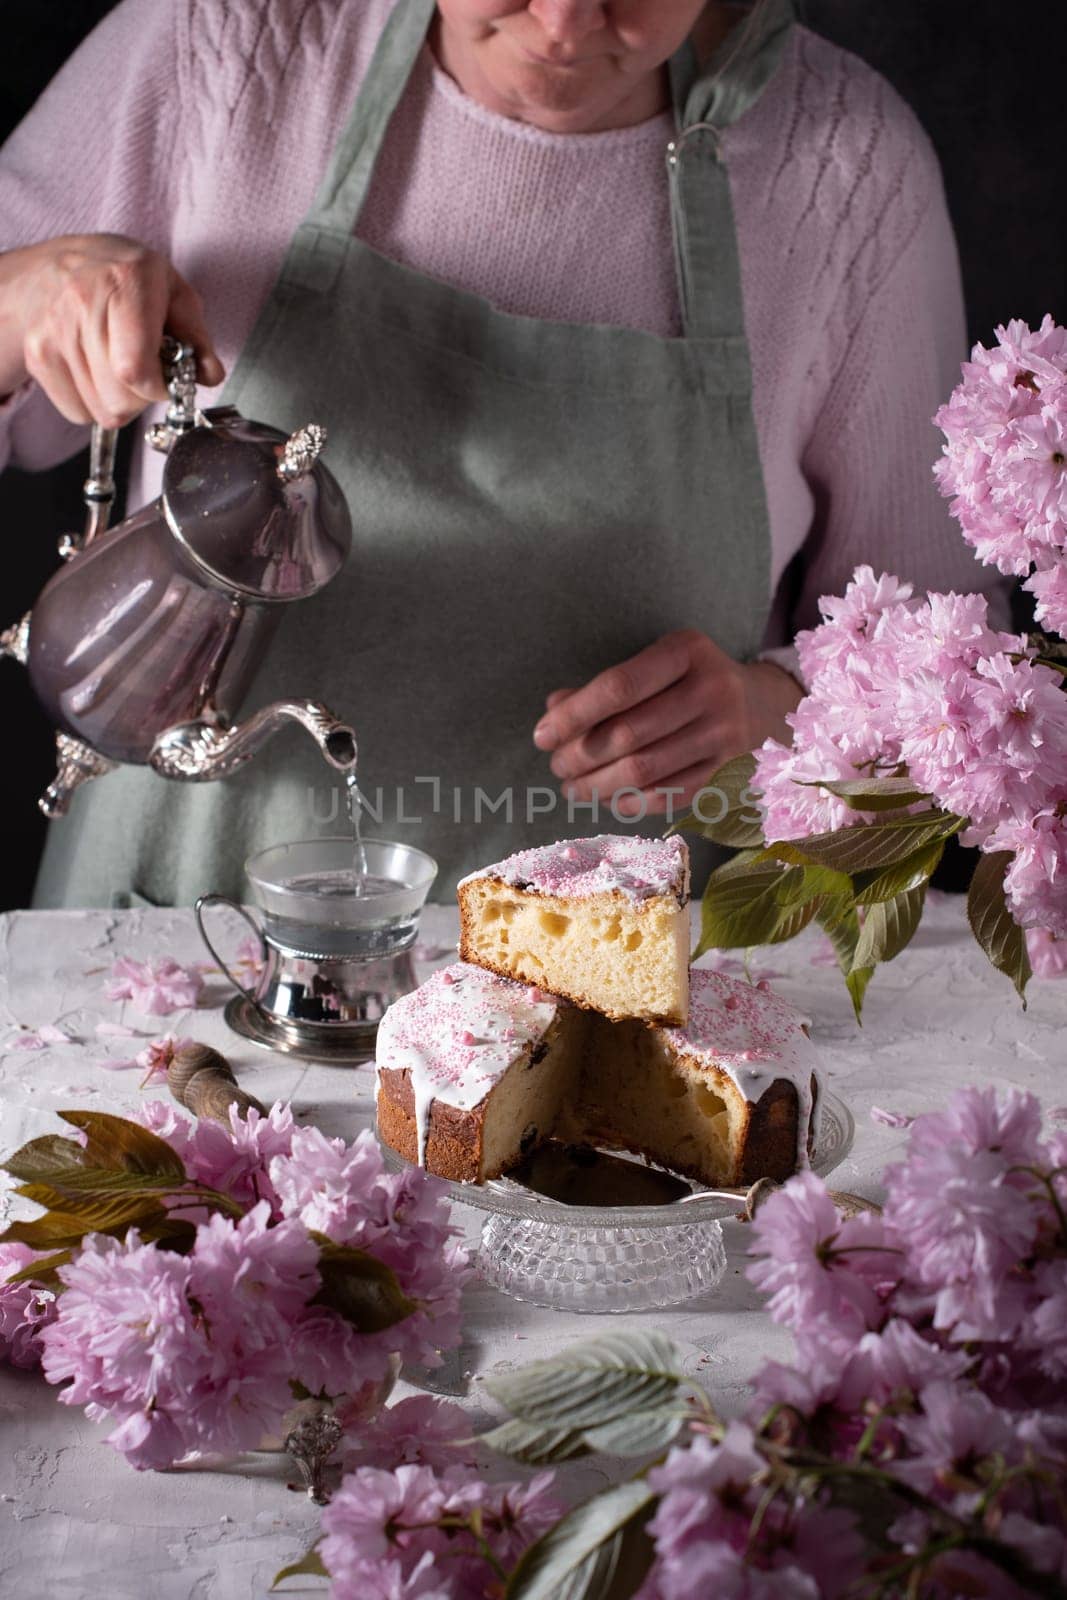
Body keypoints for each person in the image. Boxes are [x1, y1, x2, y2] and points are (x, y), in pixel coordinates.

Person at [0, 0, 1006, 907]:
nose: (564, 24)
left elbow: (946, 666)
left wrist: (774, 714)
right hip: (173, 951)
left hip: (605, 1018)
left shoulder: (848, 173)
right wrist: (24, 295)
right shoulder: (224, 43)